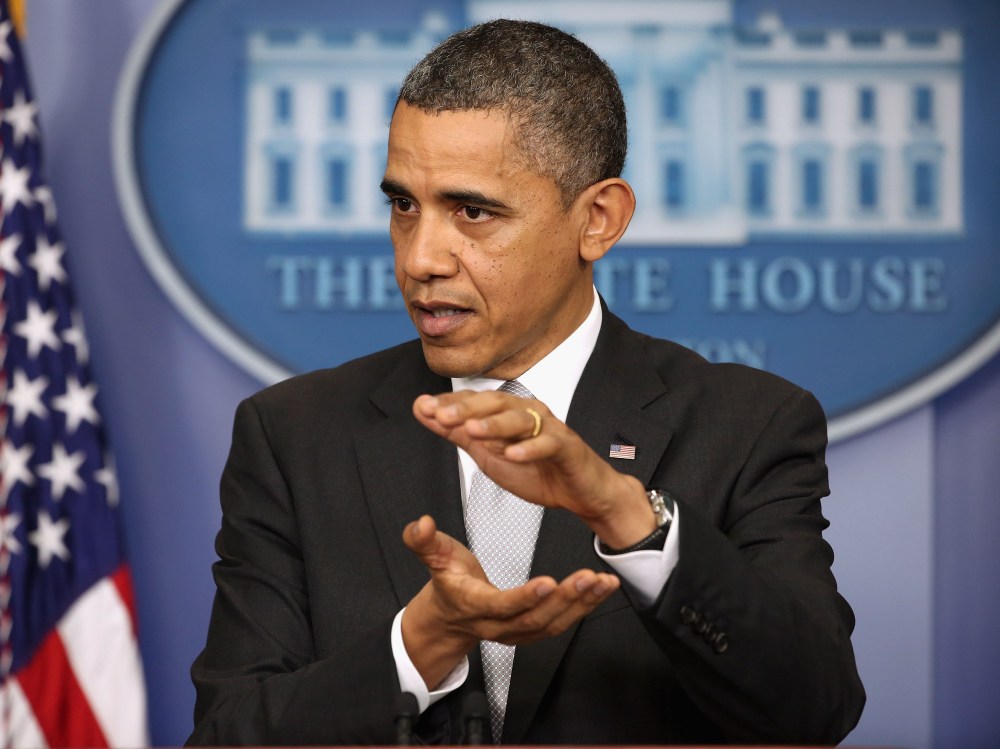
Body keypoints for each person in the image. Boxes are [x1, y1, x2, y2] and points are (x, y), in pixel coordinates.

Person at [189, 19, 864, 746]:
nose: (420, 258)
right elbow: (227, 734)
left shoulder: (747, 425)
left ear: (598, 219)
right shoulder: (293, 434)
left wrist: (628, 518)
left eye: (472, 211)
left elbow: (812, 707)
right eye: (403, 205)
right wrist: (418, 644)